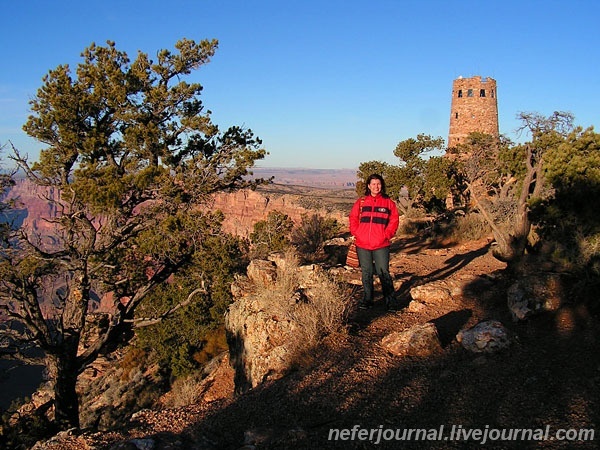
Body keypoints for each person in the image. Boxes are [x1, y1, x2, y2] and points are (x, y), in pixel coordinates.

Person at [349, 174, 399, 310]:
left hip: (381, 244)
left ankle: (390, 302)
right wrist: (356, 232)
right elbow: (353, 217)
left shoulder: (388, 203)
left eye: (378, 184)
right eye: (373, 184)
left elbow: (394, 220)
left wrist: (386, 234)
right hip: (362, 244)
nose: (376, 186)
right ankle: (368, 300)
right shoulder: (362, 202)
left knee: (384, 272)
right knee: (366, 272)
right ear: (368, 186)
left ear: (381, 185)